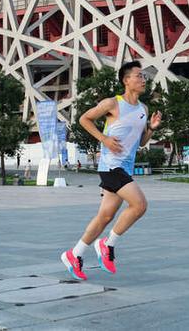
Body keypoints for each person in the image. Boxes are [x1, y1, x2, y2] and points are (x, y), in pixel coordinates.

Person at [60, 61, 162, 280]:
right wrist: (104, 138)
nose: (143, 79)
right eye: (138, 76)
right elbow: (84, 119)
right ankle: (108, 244)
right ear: (126, 80)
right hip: (111, 166)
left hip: (125, 168)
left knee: (105, 216)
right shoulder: (112, 104)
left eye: (144, 76)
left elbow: (142, 142)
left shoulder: (143, 109)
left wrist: (152, 128)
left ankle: (74, 254)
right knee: (140, 205)